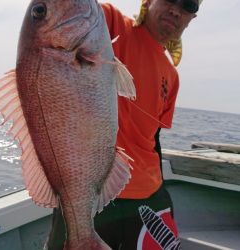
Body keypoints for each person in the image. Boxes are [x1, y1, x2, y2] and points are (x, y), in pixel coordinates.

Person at [46, 0, 202, 249]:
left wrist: (161, 192)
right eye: (169, 0)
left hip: (149, 194)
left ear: (192, 18)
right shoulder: (108, 22)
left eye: (188, 5)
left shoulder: (171, 76)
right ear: (148, 2)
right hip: (91, 193)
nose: (175, 9)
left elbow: (153, 139)